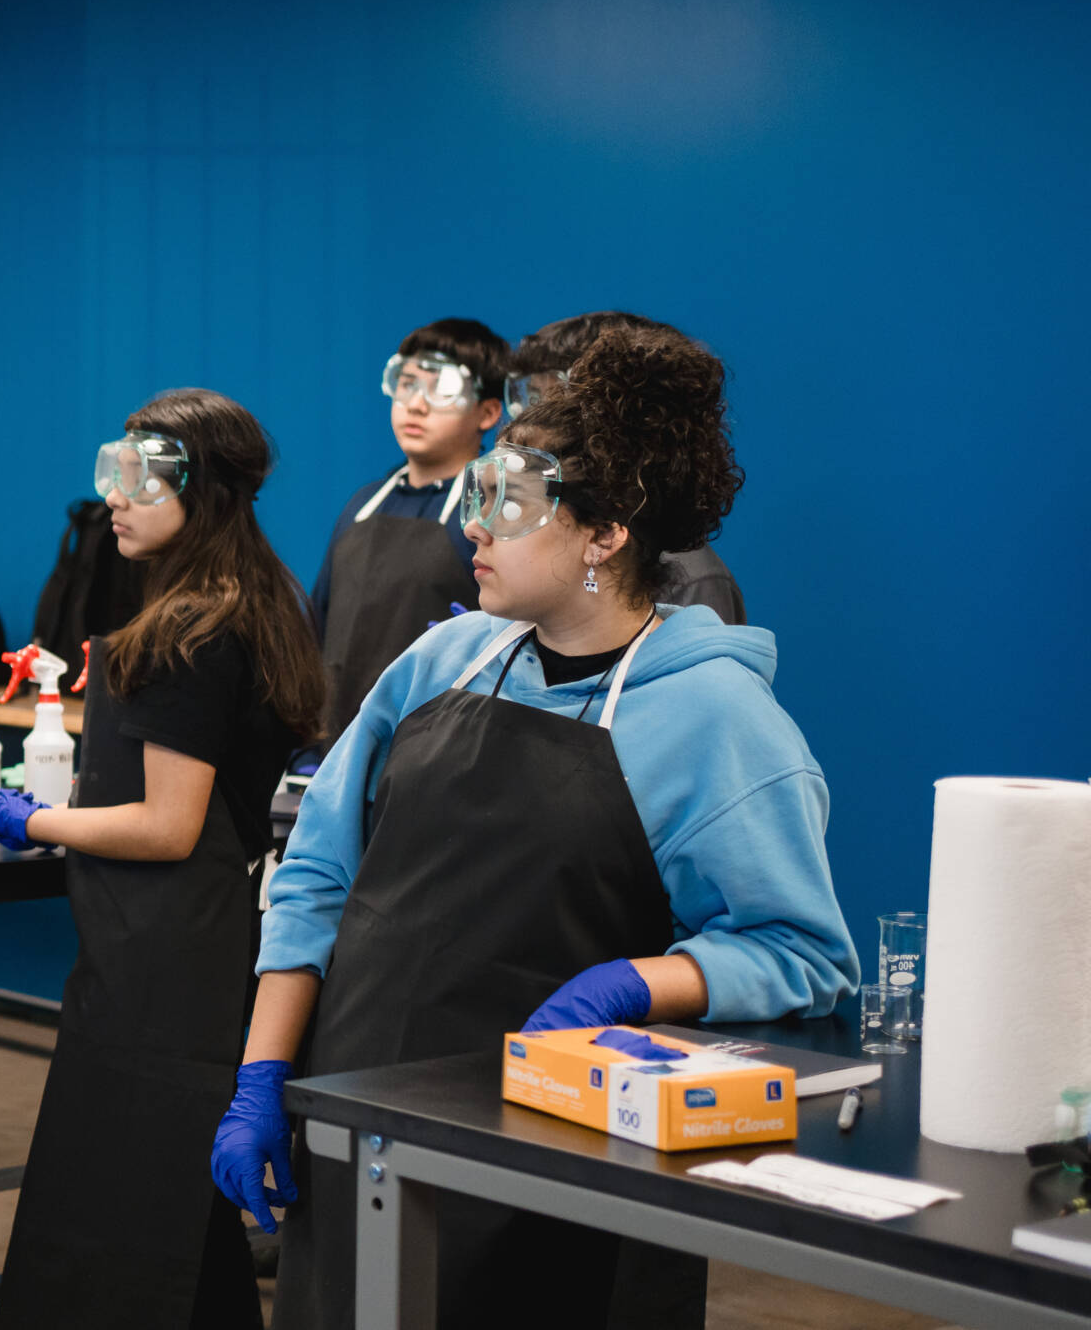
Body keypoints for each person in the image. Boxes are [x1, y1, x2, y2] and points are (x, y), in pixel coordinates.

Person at [212, 326, 859, 1330]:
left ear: (604, 534)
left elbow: (802, 952)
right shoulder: (443, 662)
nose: (472, 526)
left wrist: (631, 982)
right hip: (358, 1119)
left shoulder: (716, 719)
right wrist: (261, 1077)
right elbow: (314, 875)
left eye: (507, 502)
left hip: (561, 1159)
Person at [0, 389, 322, 1329]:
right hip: (192, 938)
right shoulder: (259, 601)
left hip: (160, 954)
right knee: (172, 1214)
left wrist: (29, 820)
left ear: (209, 491)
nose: (117, 496)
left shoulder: (188, 630)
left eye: (146, 477)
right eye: (115, 471)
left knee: (115, 1211)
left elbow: (165, 826)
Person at [308, 318, 509, 744]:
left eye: (442, 389)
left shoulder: (494, 511)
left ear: (488, 412)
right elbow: (316, 631)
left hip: (445, 748)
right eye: (407, 383)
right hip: (338, 747)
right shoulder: (361, 505)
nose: (416, 404)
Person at [508, 311, 746, 623]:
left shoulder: (692, 579)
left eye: (554, 403)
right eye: (533, 398)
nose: (530, 420)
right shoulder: (534, 560)